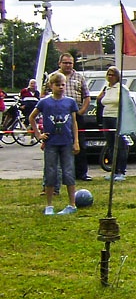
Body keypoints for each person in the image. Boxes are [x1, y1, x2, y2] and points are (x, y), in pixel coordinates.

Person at [30, 72, 80, 215]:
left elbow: (74, 122)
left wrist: (76, 141)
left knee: (69, 171)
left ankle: (72, 204)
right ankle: (49, 205)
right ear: (51, 86)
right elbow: (32, 117)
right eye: (57, 85)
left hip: (67, 142)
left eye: (63, 85)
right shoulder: (44, 102)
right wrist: (39, 135)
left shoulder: (70, 102)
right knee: (50, 172)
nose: (61, 87)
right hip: (51, 143)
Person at [44, 53, 91, 181]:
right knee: (57, 144)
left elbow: (87, 96)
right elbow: (44, 95)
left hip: (75, 114)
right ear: (60, 63)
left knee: (79, 143)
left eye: (70, 63)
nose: (68, 65)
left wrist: (81, 111)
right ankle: (58, 177)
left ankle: (81, 173)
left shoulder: (79, 77)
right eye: (65, 62)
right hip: (56, 116)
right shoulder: (52, 77)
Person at [96, 67, 129, 181]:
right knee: (110, 145)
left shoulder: (121, 88)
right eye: (108, 75)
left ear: (117, 76)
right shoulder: (106, 88)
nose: (110, 77)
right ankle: (113, 170)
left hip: (117, 117)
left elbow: (126, 103)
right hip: (106, 117)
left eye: (113, 75)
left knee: (120, 145)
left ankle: (121, 171)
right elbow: (101, 101)